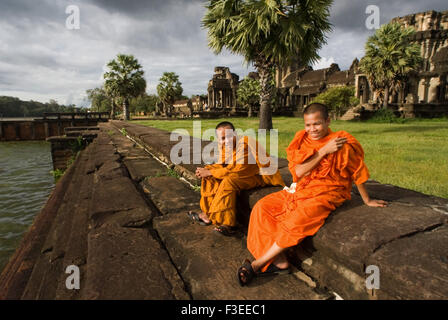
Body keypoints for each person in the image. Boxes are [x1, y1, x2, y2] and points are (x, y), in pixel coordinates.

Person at [237, 103, 388, 286]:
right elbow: (299, 172)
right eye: (308, 125)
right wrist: (323, 151)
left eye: (317, 124)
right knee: (262, 207)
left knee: (298, 219)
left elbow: (357, 172)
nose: (312, 129)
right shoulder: (302, 139)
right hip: (302, 188)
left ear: (327, 121)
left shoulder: (342, 142)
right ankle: (280, 261)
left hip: (328, 192)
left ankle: (257, 264)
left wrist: (367, 200)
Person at [189, 121, 285, 236]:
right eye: (223, 138)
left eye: (229, 136)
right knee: (211, 176)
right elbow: (222, 164)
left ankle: (227, 224)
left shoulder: (245, 144)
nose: (227, 141)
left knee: (228, 181)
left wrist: (210, 172)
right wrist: (205, 170)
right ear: (218, 140)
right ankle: (207, 214)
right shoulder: (224, 146)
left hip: (259, 176)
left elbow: (238, 171)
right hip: (241, 175)